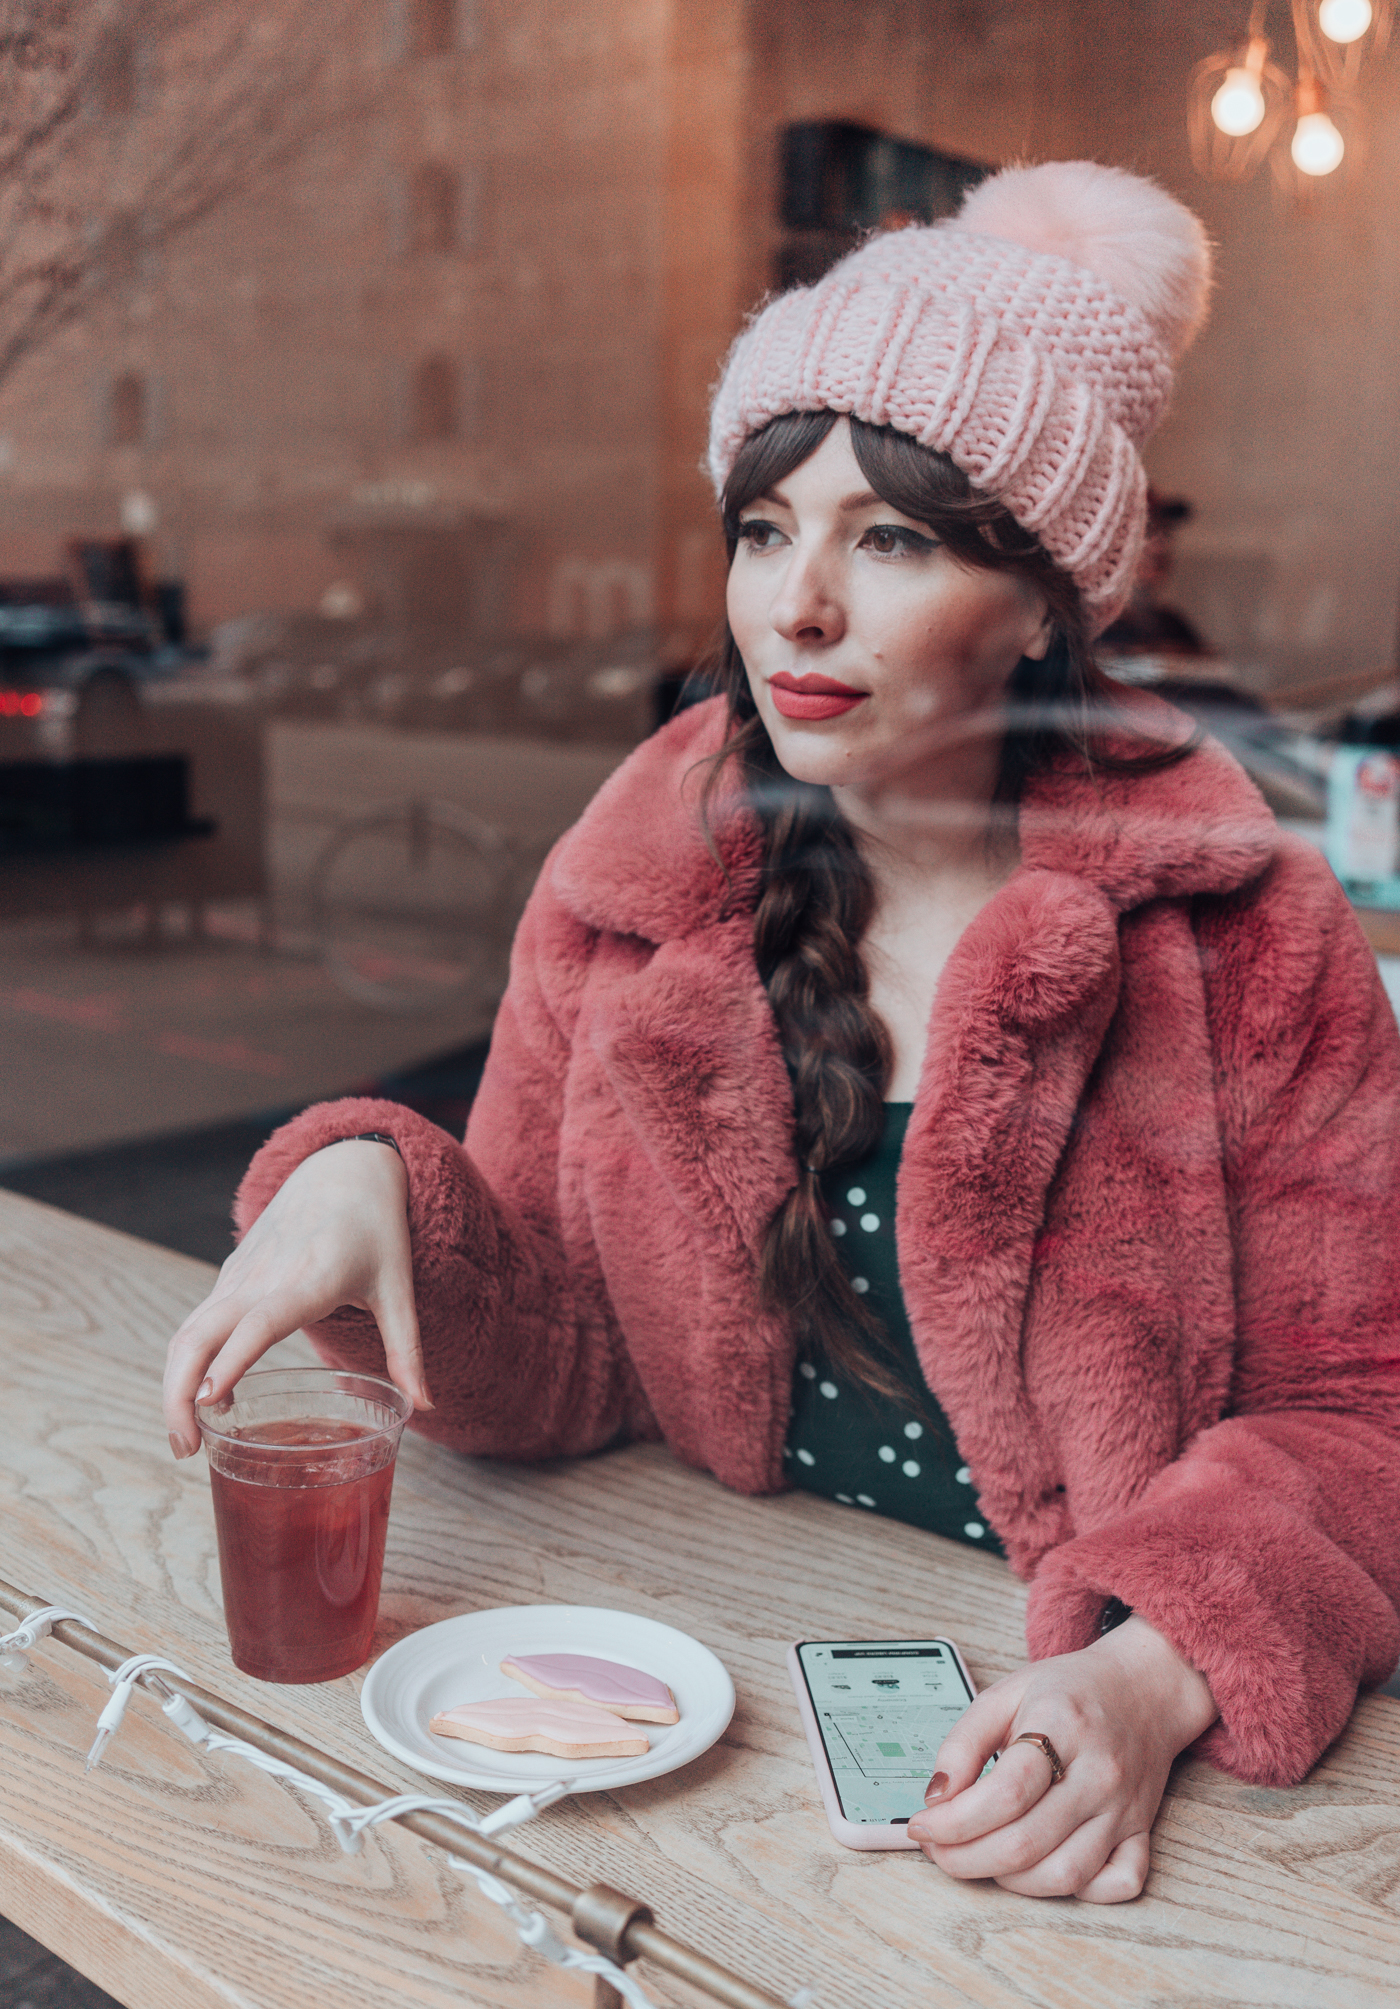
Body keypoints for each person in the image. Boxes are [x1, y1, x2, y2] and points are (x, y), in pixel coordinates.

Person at [164, 161, 1400, 1904]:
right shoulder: (633, 883)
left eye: (888, 538)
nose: (794, 607)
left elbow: (1368, 1412)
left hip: (1123, 1788)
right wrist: (382, 1196)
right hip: (713, 1711)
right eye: (764, 528)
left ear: (1047, 599)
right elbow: (567, 1360)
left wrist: (1153, 1668)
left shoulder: (1240, 930)